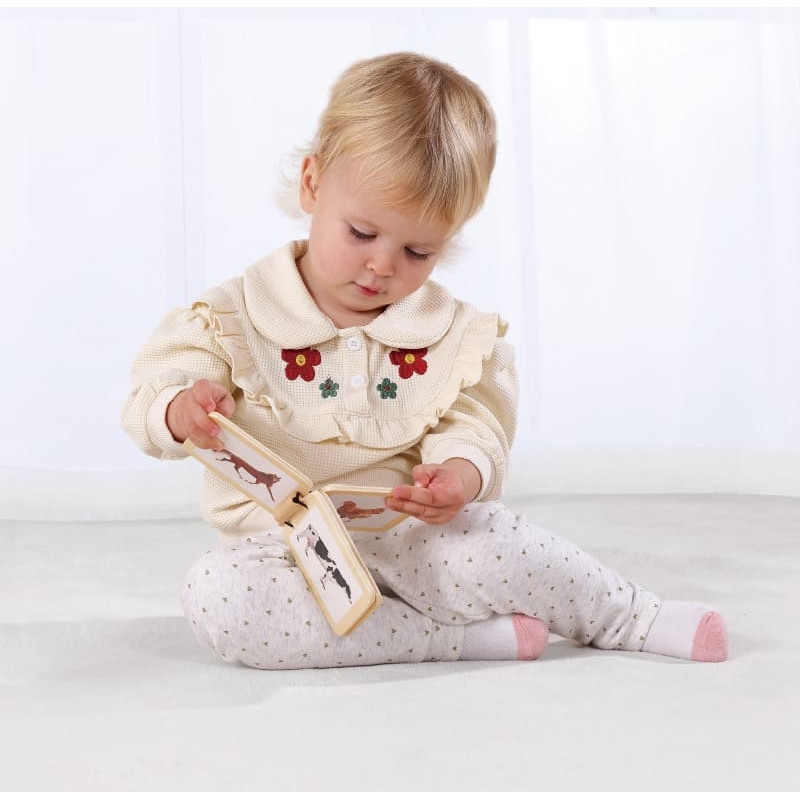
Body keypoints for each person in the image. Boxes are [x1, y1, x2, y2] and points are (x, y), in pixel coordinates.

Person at [121, 52, 728, 669]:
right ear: (311, 184)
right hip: (277, 551)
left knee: (495, 541)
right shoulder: (232, 316)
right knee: (222, 596)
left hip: (410, 536)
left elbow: (474, 423)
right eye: (361, 233)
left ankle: (628, 615)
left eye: (418, 251)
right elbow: (158, 385)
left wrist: (459, 475)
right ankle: (459, 640)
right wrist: (179, 410)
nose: (382, 265)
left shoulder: (448, 333)